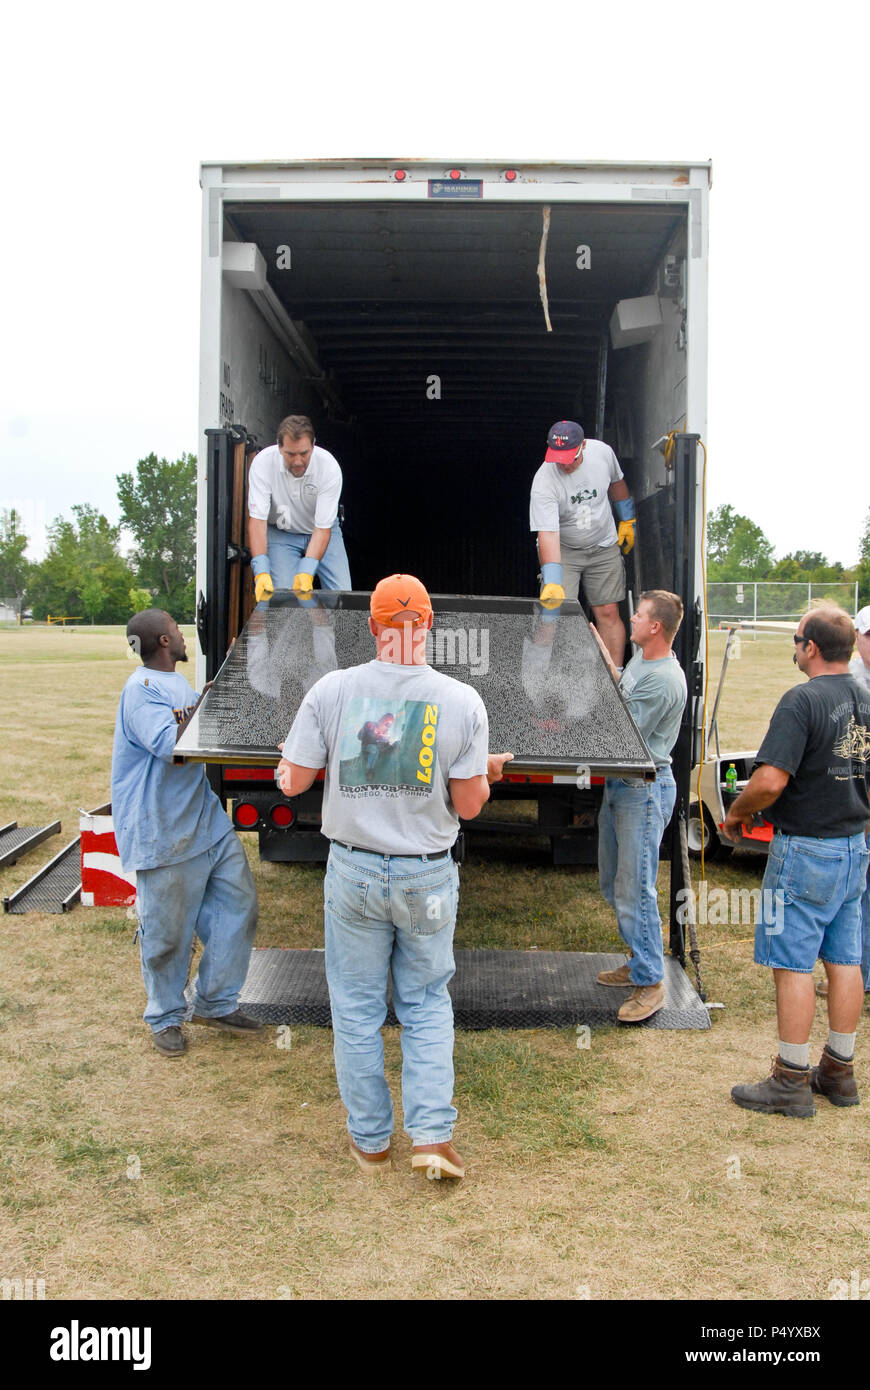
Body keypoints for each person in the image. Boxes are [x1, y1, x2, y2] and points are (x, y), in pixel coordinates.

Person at [277, 575, 513, 1179]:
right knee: (427, 1003)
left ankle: (371, 1144)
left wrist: (291, 765)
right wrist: (481, 773)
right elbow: (467, 805)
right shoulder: (462, 702)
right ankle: (432, 1137)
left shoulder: (333, 690)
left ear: (375, 629)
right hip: (427, 878)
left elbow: (296, 782)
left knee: (356, 1010)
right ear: (429, 625)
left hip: (353, 870)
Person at [724, 604, 870, 1116]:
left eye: (797, 640)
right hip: (854, 846)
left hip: (806, 848)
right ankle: (839, 1070)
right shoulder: (865, 696)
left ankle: (790, 1079)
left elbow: (768, 780)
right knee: (846, 959)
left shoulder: (801, 700)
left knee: (792, 963)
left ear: (810, 647)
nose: (794, 649)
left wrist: (735, 815)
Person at [112, 609, 261, 1057]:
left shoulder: (177, 684)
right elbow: (173, 746)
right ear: (162, 641)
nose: (182, 636)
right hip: (163, 830)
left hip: (205, 822)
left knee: (240, 906)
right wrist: (208, 700)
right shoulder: (141, 691)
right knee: (169, 932)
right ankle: (165, 1016)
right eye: (176, 630)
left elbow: (200, 723)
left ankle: (215, 1002)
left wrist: (225, 682)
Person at [591, 591, 687, 1022]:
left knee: (636, 890)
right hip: (622, 786)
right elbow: (624, 700)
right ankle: (638, 960)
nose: (631, 616)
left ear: (656, 628)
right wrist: (605, 663)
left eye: (640, 614)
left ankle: (651, 983)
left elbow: (623, 730)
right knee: (614, 883)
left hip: (642, 792)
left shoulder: (665, 678)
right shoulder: (640, 660)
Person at [530, 420, 636, 668]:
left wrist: (628, 520)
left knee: (608, 612)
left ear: (583, 446)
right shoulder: (544, 480)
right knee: (551, 614)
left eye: (570, 457)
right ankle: (536, 677)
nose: (564, 464)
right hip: (565, 549)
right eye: (559, 457)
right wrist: (553, 580)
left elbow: (617, 483)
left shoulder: (602, 453)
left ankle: (613, 680)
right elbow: (548, 534)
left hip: (603, 544)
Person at [247, 414, 352, 601]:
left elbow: (322, 528)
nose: (297, 461)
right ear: (279, 447)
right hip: (281, 532)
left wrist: (307, 570)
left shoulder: (329, 467)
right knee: (283, 597)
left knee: (340, 596)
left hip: (321, 530)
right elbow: (257, 522)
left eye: (303, 453)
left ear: (313, 446)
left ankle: (328, 630)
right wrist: (261, 571)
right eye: (290, 454)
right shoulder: (262, 464)